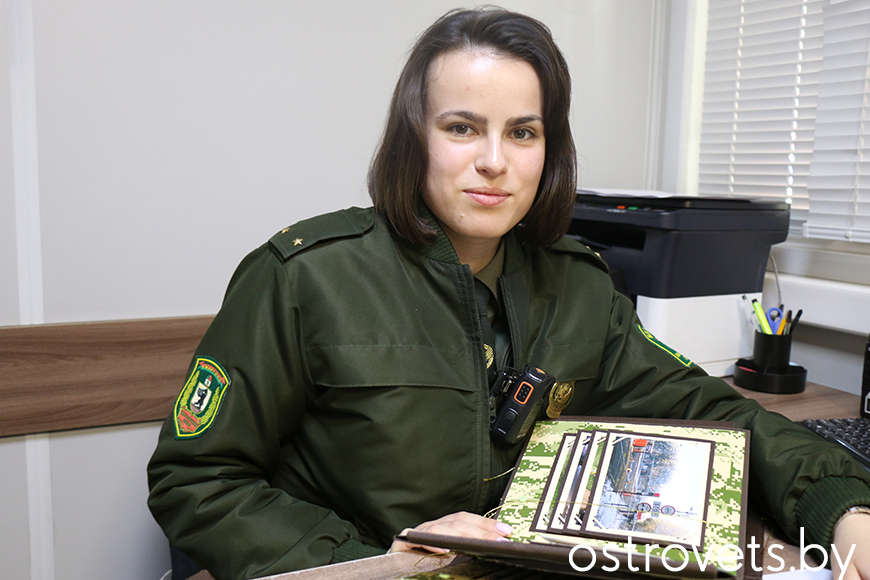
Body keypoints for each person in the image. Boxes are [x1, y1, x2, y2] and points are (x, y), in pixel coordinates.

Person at [147, 7, 870, 580]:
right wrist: (380, 564)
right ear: (414, 138)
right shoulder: (304, 276)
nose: (494, 161)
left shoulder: (578, 284)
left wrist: (839, 508)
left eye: (523, 132)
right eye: (462, 128)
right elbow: (198, 481)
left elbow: (710, 410)